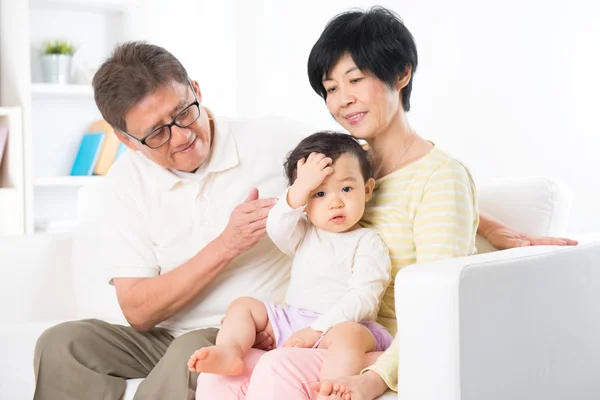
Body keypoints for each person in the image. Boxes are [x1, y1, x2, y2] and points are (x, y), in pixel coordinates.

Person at [32, 27, 575, 400]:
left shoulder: (275, 140)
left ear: (196, 90)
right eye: (156, 132)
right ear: (127, 141)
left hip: (248, 326)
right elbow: (139, 312)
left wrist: (494, 226)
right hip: (162, 329)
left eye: (184, 112)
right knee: (61, 343)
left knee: (189, 358)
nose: (181, 135)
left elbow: (379, 174)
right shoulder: (125, 184)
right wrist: (226, 245)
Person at [195, 6, 577, 400]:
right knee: (216, 378)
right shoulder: (343, 168)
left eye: (355, 80)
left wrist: (376, 375)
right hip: (316, 330)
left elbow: (436, 304)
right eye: (331, 88)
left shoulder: (442, 177)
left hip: (375, 345)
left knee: (278, 368)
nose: (343, 100)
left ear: (401, 73)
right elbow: (295, 228)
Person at [188, 132, 393, 386]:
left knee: (348, 334)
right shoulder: (303, 232)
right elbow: (277, 225)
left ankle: (330, 388)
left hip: (343, 324)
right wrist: (300, 188)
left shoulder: (368, 241)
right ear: (304, 202)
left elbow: (363, 297)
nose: (336, 202)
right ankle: (230, 351)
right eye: (319, 194)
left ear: (367, 190)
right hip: (294, 321)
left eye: (347, 189)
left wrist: (316, 330)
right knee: (243, 306)